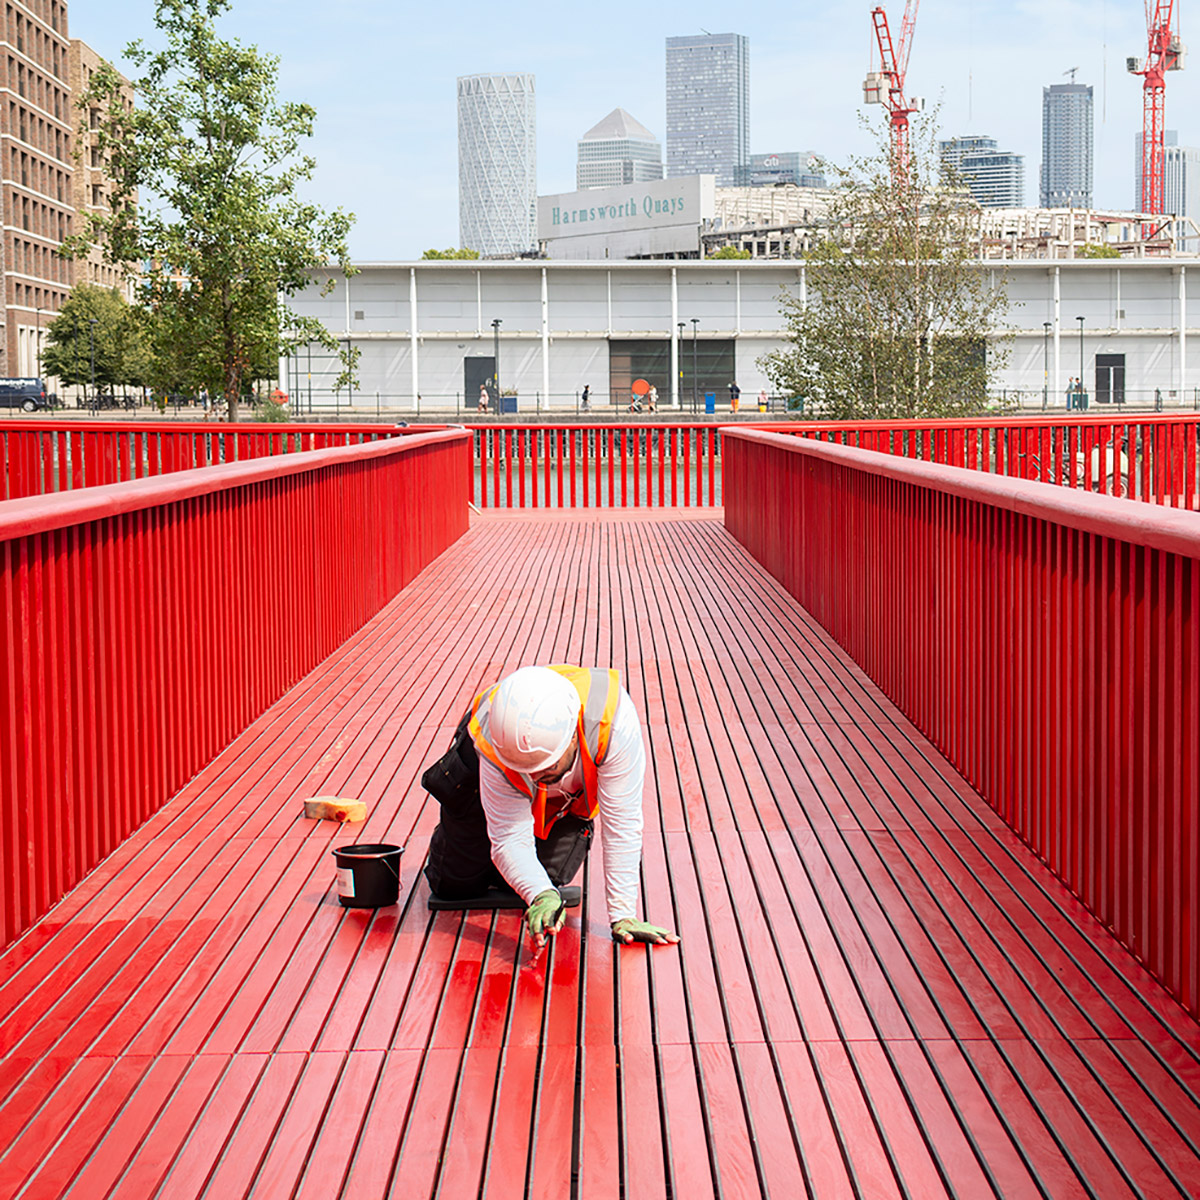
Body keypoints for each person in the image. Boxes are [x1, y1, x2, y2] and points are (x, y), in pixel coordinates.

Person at [422, 665, 680, 948]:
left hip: (565, 802)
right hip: (480, 777)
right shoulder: (493, 738)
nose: (534, 780)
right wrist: (539, 893)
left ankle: (512, 871)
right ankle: (466, 840)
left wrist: (623, 915)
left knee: (549, 878)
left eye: (546, 769)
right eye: (527, 771)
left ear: (572, 736)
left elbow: (623, 823)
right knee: (455, 886)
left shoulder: (613, 724)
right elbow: (508, 838)